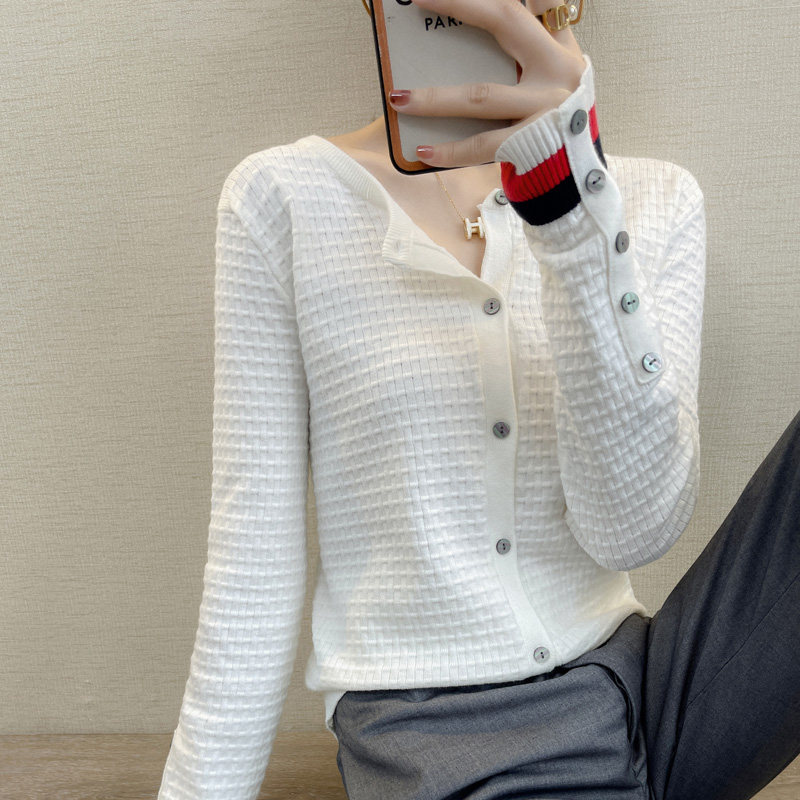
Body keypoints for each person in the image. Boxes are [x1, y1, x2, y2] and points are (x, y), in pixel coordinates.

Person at [157, 1, 800, 798]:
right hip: (435, 735)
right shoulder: (283, 199)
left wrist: (570, 208)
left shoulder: (652, 197)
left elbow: (631, 531)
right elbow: (253, 560)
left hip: (650, 688)